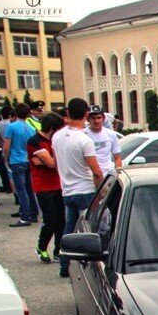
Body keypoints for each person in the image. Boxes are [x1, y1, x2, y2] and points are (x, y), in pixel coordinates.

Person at [54, 98, 104, 278]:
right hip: (84, 190)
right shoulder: (84, 140)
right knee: (88, 232)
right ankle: (90, 271)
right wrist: (101, 192)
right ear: (86, 115)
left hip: (67, 191)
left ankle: (64, 266)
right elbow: (96, 171)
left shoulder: (57, 136)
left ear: (67, 113)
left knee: (69, 230)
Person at [28, 112, 66, 262]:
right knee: (50, 219)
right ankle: (41, 247)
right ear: (52, 128)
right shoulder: (34, 141)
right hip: (43, 186)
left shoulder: (54, 140)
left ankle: (58, 250)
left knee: (61, 220)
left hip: (58, 184)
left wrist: (47, 161)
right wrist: (50, 162)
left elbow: (54, 161)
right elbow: (52, 163)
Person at [3, 104, 38, 226]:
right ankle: (34, 214)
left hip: (16, 160)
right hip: (28, 160)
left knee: (21, 190)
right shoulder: (31, 128)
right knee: (30, 189)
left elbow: (6, 146)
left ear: (16, 114)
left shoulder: (11, 127)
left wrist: (6, 159)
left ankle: (24, 216)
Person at [85, 105, 122, 176]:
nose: (96, 121)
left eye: (99, 118)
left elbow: (117, 157)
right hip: (89, 178)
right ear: (88, 119)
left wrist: (117, 174)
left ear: (104, 118)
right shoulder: (83, 135)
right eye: (93, 118)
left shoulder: (111, 134)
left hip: (108, 176)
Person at [0, 107, 13, 194]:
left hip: (3, 150)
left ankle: (9, 188)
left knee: (6, 172)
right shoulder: (13, 124)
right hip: (15, 150)